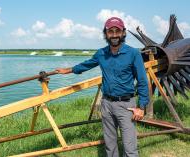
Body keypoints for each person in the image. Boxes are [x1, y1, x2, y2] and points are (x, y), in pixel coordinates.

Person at [55, 17, 149, 157]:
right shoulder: (101, 53)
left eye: (118, 31)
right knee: (110, 145)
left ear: (123, 33)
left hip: (126, 105)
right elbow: (87, 64)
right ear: (106, 34)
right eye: (110, 31)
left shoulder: (133, 53)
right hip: (106, 104)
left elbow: (142, 81)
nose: (114, 34)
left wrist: (141, 107)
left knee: (130, 147)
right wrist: (69, 70)